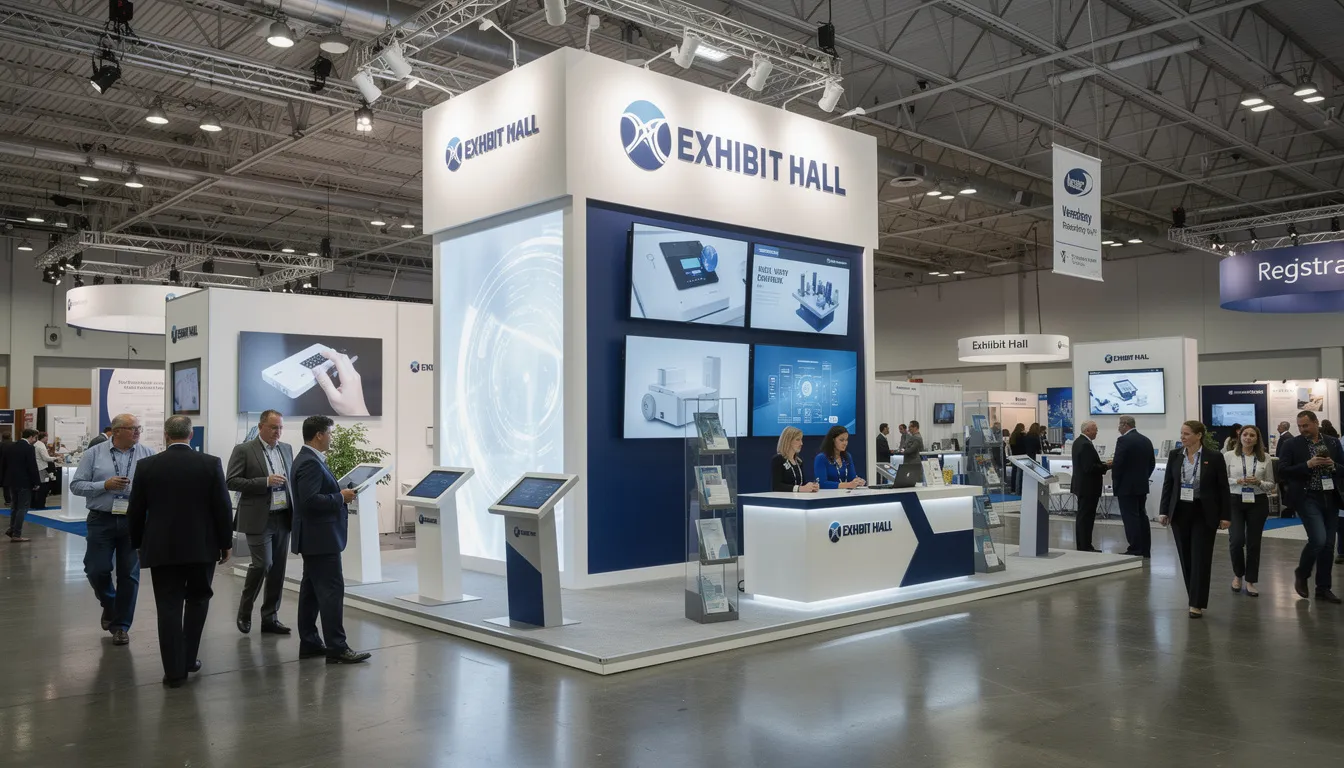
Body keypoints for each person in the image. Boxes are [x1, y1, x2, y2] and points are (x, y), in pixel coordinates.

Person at [126, 416, 232, 688]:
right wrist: (225, 543)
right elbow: (222, 507)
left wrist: (137, 543)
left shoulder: (147, 466)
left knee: (168, 606)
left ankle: (174, 671)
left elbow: (135, 511)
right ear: (191, 435)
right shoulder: (210, 464)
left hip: (162, 548)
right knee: (198, 600)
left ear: (165, 435)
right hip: (202, 547)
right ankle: (189, 658)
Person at [291, 415, 371, 664]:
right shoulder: (310, 463)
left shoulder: (308, 459)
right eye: (330, 433)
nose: (332, 438)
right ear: (319, 435)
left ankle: (310, 642)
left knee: (311, 592)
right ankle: (337, 647)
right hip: (320, 539)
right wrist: (340, 497)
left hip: (315, 537)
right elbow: (310, 501)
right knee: (331, 592)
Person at [70, 412, 155, 645]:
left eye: (139, 428)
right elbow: (76, 486)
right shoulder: (94, 454)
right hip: (101, 519)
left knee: (129, 574)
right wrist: (104, 485)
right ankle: (110, 603)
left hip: (133, 521)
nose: (137, 432)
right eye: (132, 428)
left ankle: (121, 626)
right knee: (95, 569)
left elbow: (157, 487)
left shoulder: (148, 454)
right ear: (117, 431)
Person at [228, 410, 295, 636]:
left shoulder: (286, 449)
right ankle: (245, 610)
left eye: (280, 428)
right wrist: (264, 481)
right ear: (261, 427)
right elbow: (232, 481)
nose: (278, 432)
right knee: (262, 564)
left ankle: (270, 618)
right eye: (273, 427)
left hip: (282, 516)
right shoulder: (244, 450)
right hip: (258, 518)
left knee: (277, 570)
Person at [1158, 421, 1231, 618]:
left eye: (1187, 434)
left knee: (1201, 556)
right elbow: (1168, 485)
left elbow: (1223, 488)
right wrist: (1164, 511)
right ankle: (1193, 596)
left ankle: (1196, 603)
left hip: (1203, 511)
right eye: (1181, 433)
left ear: (1199, 435)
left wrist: (1225, 515)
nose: (1182, 437)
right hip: (1180, 511)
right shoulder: (1175, 455)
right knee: (1185, 555)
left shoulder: (1214, 457)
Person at [1280, 410, 1344, 603]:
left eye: (1306, 425)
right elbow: (1282, 471)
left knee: (1328, 545)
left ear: (1316, 423)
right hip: (1307, 498)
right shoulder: (1292, 444)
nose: (1302, 429)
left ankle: (1323, 589)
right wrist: (1307, 464)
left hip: (1331, 497)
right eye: (1299, 426)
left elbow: (1343, 468)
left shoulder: (1332, 442)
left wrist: (1333, 466)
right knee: (1318, 539)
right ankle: (1302, 572)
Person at [1224, 425, 1274, 597]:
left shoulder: (1265, 457)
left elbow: (1271, 484)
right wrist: (1238, 480)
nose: (1248, 438)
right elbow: (1223, 480)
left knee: (1254, 543)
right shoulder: (1229, 456)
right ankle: (1238, 575)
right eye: (1245, 434)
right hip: (1234, 500)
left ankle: (1251, 581)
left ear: (1257, 438)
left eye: (1252, 435)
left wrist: (1259, 483)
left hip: (1257, 501)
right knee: (1236, 540)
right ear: (1239, 437)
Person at [1112, 415, 1156, 558]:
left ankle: (1135, 549)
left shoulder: (1123, 440)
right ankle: (1145, 549)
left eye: (1119, 424)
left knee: (1130, 518)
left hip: (1126, 487)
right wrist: (1143, 478)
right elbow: (1152, 463)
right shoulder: (1146, 440)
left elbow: (1118, 464)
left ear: (1125, 425)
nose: (1118, 427)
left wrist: (1116, 483)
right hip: (1141, 485)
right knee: (1142, 516)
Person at [1070, 420, 1108, 552]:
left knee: (1083, 516)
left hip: (1083, 486)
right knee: (1086, 518)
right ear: (1087, 431)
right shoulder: (1085, 444)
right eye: (1095, 429)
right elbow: (1089, 467)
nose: (1097, 431)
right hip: (1088, 487)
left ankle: (1083, 545)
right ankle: (1085, 546)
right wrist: (1106, 466)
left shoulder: (1078, 442)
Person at [3, 429, 42, 542]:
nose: (35, 440)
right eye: (35, 438)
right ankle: (17, 534)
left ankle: (12, 529)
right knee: (22, 508)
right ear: (31, 437)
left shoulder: (11, 446)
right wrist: (36, 482)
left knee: (14, 506)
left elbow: (5, 464)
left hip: (12, 481)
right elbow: (32, 466)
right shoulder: (29, 448)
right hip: (24, 482)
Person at [814, 425, 867, 490]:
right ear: (833, 440)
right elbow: (822, 483)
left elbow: (852, 478)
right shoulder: (821, 458)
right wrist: (847, 485)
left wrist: (857, 481)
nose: (845, 443)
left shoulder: (847, 456)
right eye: (841, 440)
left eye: (846, 440)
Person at [772, 426, 819, 492]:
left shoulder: (799, 462)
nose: (801, 443)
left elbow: (801, 484)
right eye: (797, 440)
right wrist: (800, 488)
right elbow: (777, 486)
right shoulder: (778, 459)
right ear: (788, 441)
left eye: (801, 439)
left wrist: (811, 487)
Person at [32, 431, 59, 509]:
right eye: (46, 437)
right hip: (42, 468)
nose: (47, 439)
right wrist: (56, 458)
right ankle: (40, 504)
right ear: (43, 437)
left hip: (38, 467)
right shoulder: (41, 446)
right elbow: (46, 458)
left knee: (39, 486)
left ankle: (35, 503)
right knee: (43, 487)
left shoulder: (36, 444)